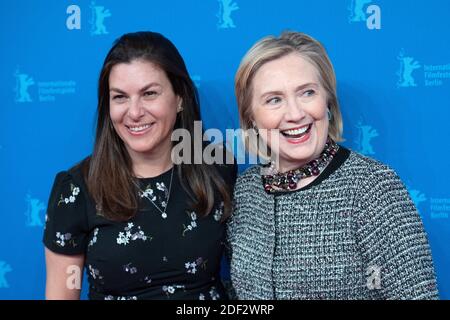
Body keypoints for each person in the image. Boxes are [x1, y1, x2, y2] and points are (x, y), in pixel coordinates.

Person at [227, 31, 439, 299]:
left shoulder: (373, 186)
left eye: (307, 93)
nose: (294, 114)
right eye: (274, 99)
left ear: (327, 100)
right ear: (251, 117)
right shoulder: (245, 191)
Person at [43, 31, 236, 300]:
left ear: (179, 98)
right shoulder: (76, 189)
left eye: (149, 93)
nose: (134, 112)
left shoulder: (218, 168)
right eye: (120, 97)